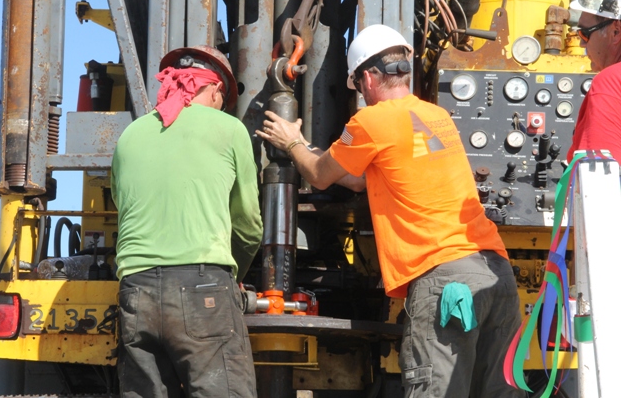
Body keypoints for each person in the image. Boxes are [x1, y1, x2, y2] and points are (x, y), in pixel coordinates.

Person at [257, 24, 524, 398]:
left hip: (446, 280)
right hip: (495, 274)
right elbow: (357, 179)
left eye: (357, 86)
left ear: (367, 77)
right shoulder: (436, 117)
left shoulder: (370, 121)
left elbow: (319, 176)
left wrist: (293, 142)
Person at [111, 45, 263, 398]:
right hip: (202, 288)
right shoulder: (230, 129)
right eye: (221, 100)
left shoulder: (129, 136)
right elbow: (248, 223)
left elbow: (124, 205)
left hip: (135, 293)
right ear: (212, 90)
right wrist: (233, 277)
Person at [567, 0, 621, 161]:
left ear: (616, 31)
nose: (582, 44)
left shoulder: (612, 82)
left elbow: (599, 183)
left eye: (585, 33)